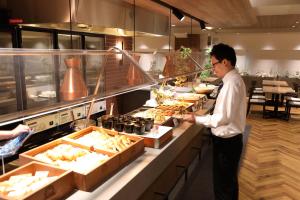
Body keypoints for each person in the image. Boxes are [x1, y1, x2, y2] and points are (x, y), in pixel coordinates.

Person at [184, 43, 246, 200]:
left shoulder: (232, 83)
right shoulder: (232, 80)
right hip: (229, 142)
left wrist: (196, 118)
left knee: (223, 186)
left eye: (214, 64)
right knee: (227, 183)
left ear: (225, 62)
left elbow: (223, 118)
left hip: (227, 143)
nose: (213, 69)